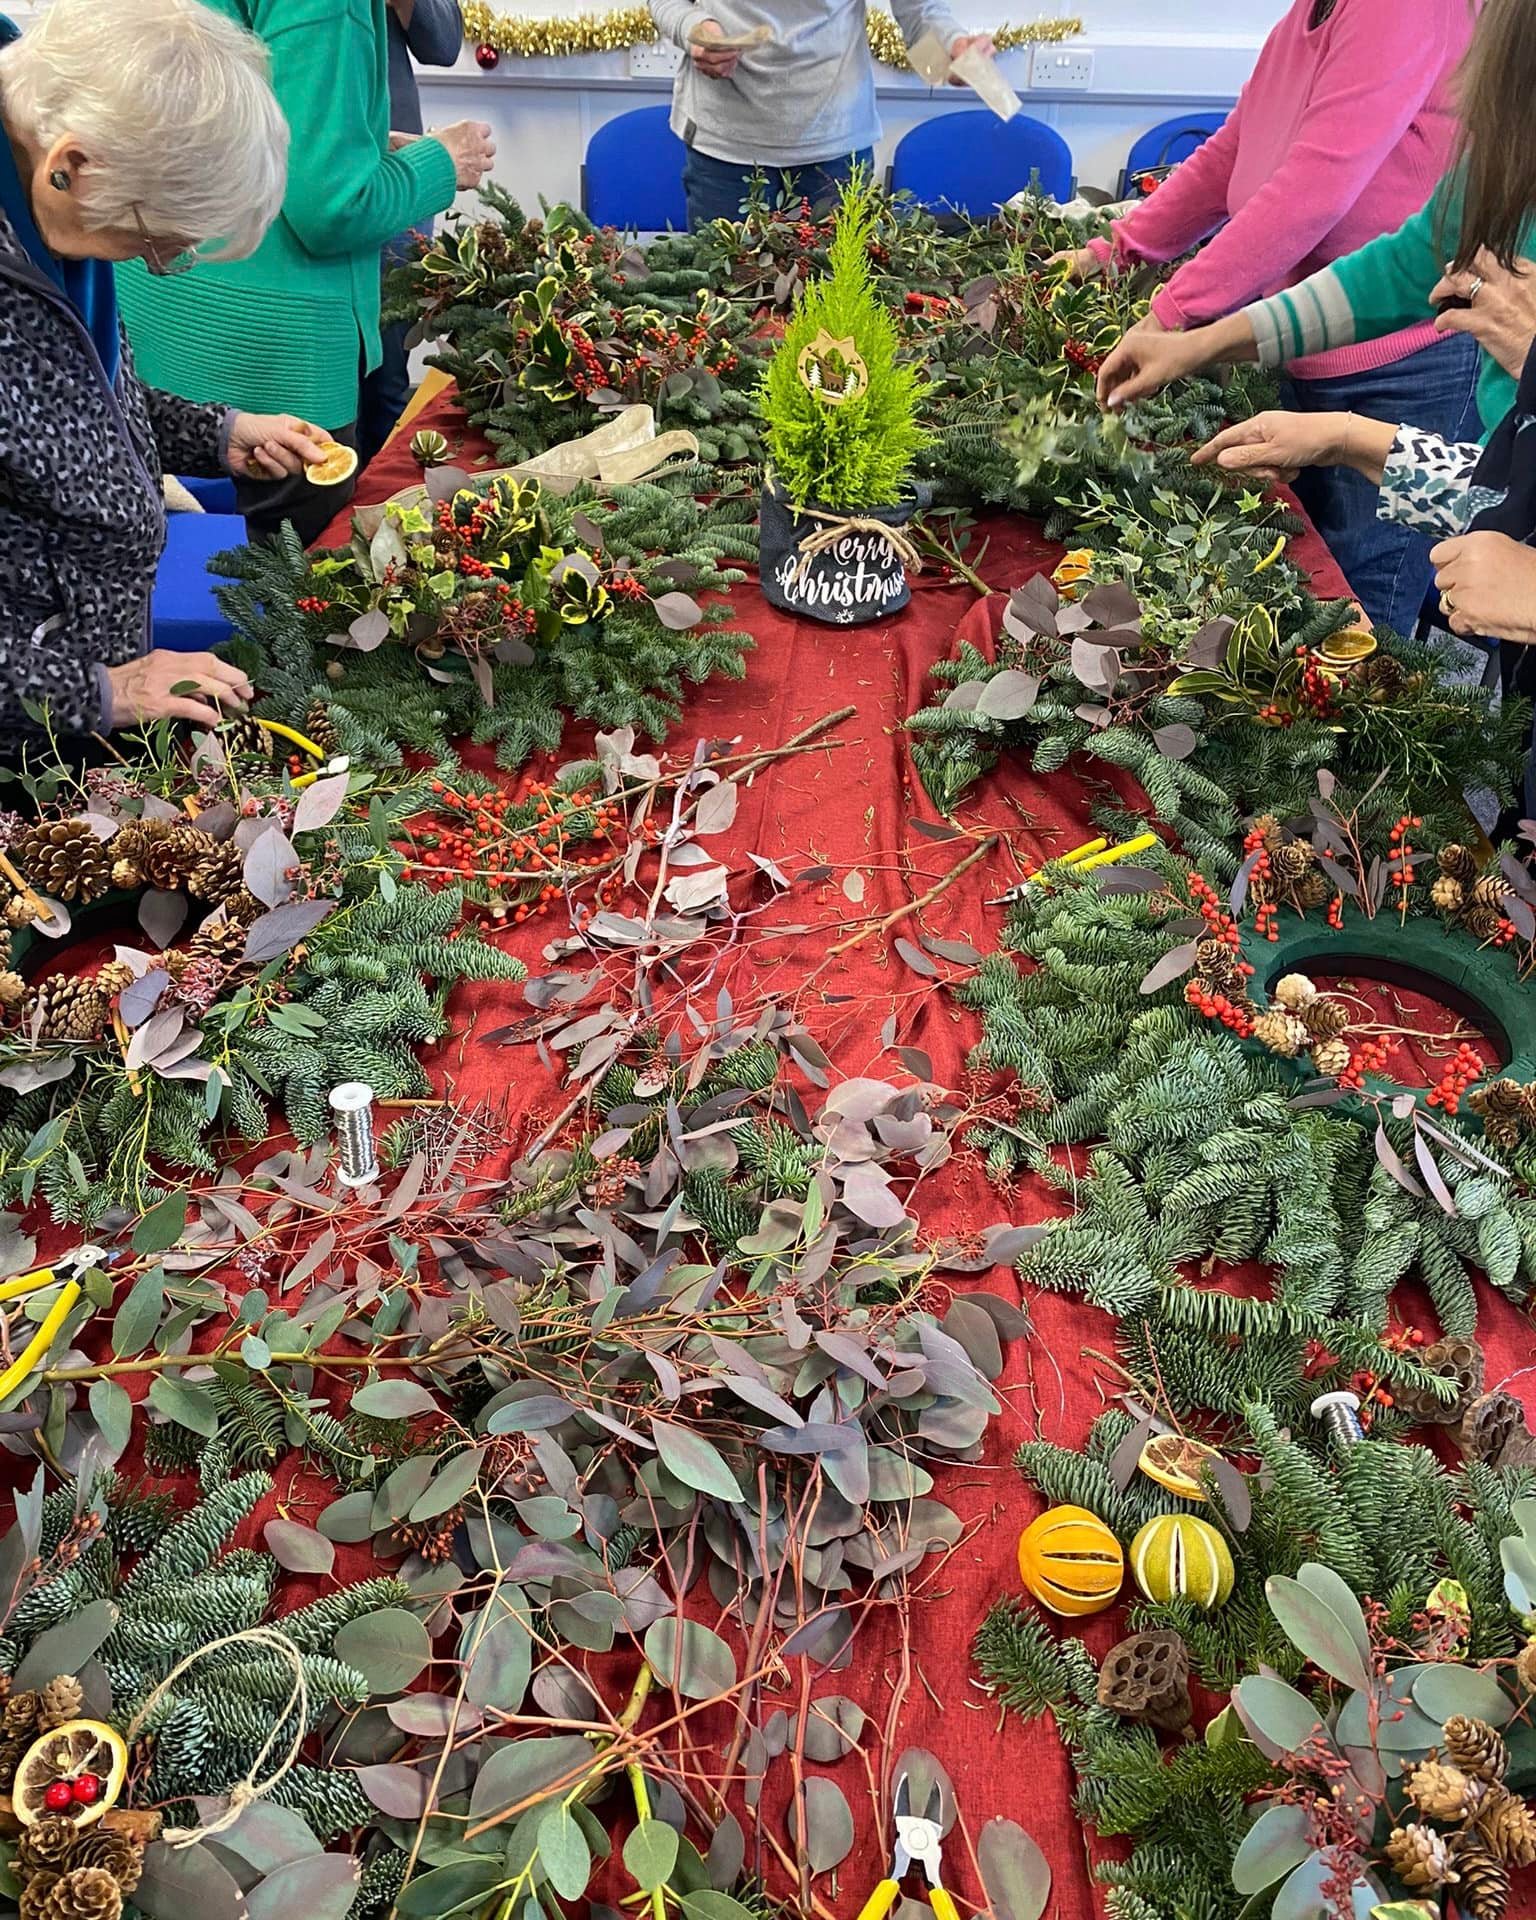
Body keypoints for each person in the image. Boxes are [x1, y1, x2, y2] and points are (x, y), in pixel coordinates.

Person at [1062, 0, 1479, 639]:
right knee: (1309, 583)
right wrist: (1120, 248)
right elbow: (1234, 150)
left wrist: (1176, 315)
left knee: (1360, 615)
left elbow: (1314, 189)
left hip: (1409, 366)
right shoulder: (1308, 16)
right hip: (1318, 344)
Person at [0, 0, 335, 755]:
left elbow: (69, 401)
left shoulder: (46, 206)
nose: (151, 262)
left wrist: (217, 433)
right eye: (155, 244)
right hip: (30, 734)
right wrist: (96, 692)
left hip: (89, 693)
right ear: (73, 167)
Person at [118, 0, 495, 547]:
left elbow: (226, 105)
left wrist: (359, 145)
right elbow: (334, 209)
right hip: (275, 348)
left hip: (159, 301)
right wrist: (443, 160)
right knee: (305, 604)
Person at [646, 0, 995, 231]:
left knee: (834, 320)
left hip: (835, 147)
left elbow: (917, 10)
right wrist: (695, 28)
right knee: (727, 316)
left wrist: (951, 50)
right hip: (723, 149)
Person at [358, 0, 463, 468]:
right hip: (308, 172)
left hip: (398, 175)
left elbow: (442, 43)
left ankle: (379, 513)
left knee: (387, 380)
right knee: (320, 385)